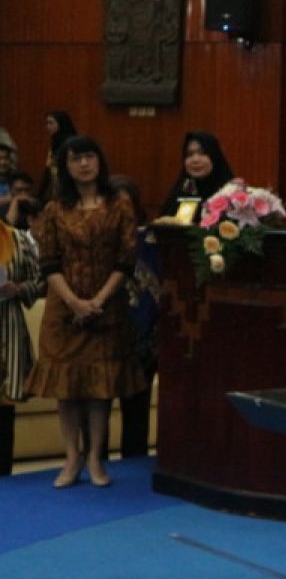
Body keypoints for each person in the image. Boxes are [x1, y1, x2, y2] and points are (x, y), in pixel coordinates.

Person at [25, 135, 146, 488]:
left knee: (99, 387)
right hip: (64, 310)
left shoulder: (118, 203)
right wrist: (75, 302)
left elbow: (127, 259)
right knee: (68, 387)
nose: (83, 164)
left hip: (108, 308)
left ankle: (95, 456)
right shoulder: (54, 209)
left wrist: (98, 301)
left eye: (89, 156)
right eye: (75, 159)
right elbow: (48, 262)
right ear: (65, 166)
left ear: (99, 161)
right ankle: (71, 456)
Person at [110, 175, 159, 459]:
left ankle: (135, 461)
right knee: (98, 406)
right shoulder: (99, 239)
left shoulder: (152, 238)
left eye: (125, 203)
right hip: (106, 331)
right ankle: (95, 460)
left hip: (144, 336)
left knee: (137, 407)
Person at [0, 215, 46, 476]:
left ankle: (4, 475)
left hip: (8, 326)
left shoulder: (17, 238)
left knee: (5, 409)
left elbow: (41, 280)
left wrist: (18, 289)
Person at [160, 130, 236, 222]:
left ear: (214, 156)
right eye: (189, 154)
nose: (195, 159)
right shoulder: (182, 191)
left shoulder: (230, 191)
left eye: (202, 153)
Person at [37, 109, 77, 202]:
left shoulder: (72, 144)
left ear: (61, 123)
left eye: (51, 123)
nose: (47, 126)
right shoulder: (54, 144)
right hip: (56, 189)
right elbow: (48, 169)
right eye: (46, 123)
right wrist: (39, 195)